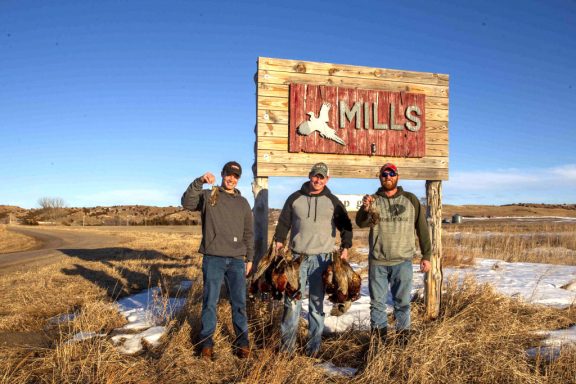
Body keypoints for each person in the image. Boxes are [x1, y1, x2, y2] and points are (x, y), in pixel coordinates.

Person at [274, 162, 353, 357]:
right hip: (296, 260)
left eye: (322, 177)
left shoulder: (333, 201)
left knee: (316, 307)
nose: (317, 180)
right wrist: (278, 241)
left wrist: (346, 246)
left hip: (322, 261)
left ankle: (313, 350)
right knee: (291, 305)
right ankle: (287, 350)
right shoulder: (295, 198)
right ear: (310, 176)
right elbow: (284, 222)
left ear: (327, 179)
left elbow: (345, 225)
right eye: (315, 176)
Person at [181, 161, 254, 360]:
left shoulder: (243, 203)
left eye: (236, 176)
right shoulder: (209, 196)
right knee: (210, 302)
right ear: (222, 174)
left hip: (237, 260)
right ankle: (206, 344)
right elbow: (187, 203)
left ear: (239, 179)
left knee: (239, 303)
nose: (231, 179)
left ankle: (242, 343)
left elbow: (249, 233)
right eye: (229, 174)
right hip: (213, 258)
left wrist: (250, 258)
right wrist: (200, 181)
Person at [356, 162, 431, 346]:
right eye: (384, 174)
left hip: (402, 261)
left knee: (402, 304)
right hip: (378, 262)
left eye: (391, 173)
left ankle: (403, 344)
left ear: (397, 176)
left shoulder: (411, 200)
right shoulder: (373, 200)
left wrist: (426, 255)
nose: (388, 177)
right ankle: (379, 345)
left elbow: (422, 228)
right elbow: (361, 223)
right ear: (380, 177)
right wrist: (365, 209)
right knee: (377, 305)